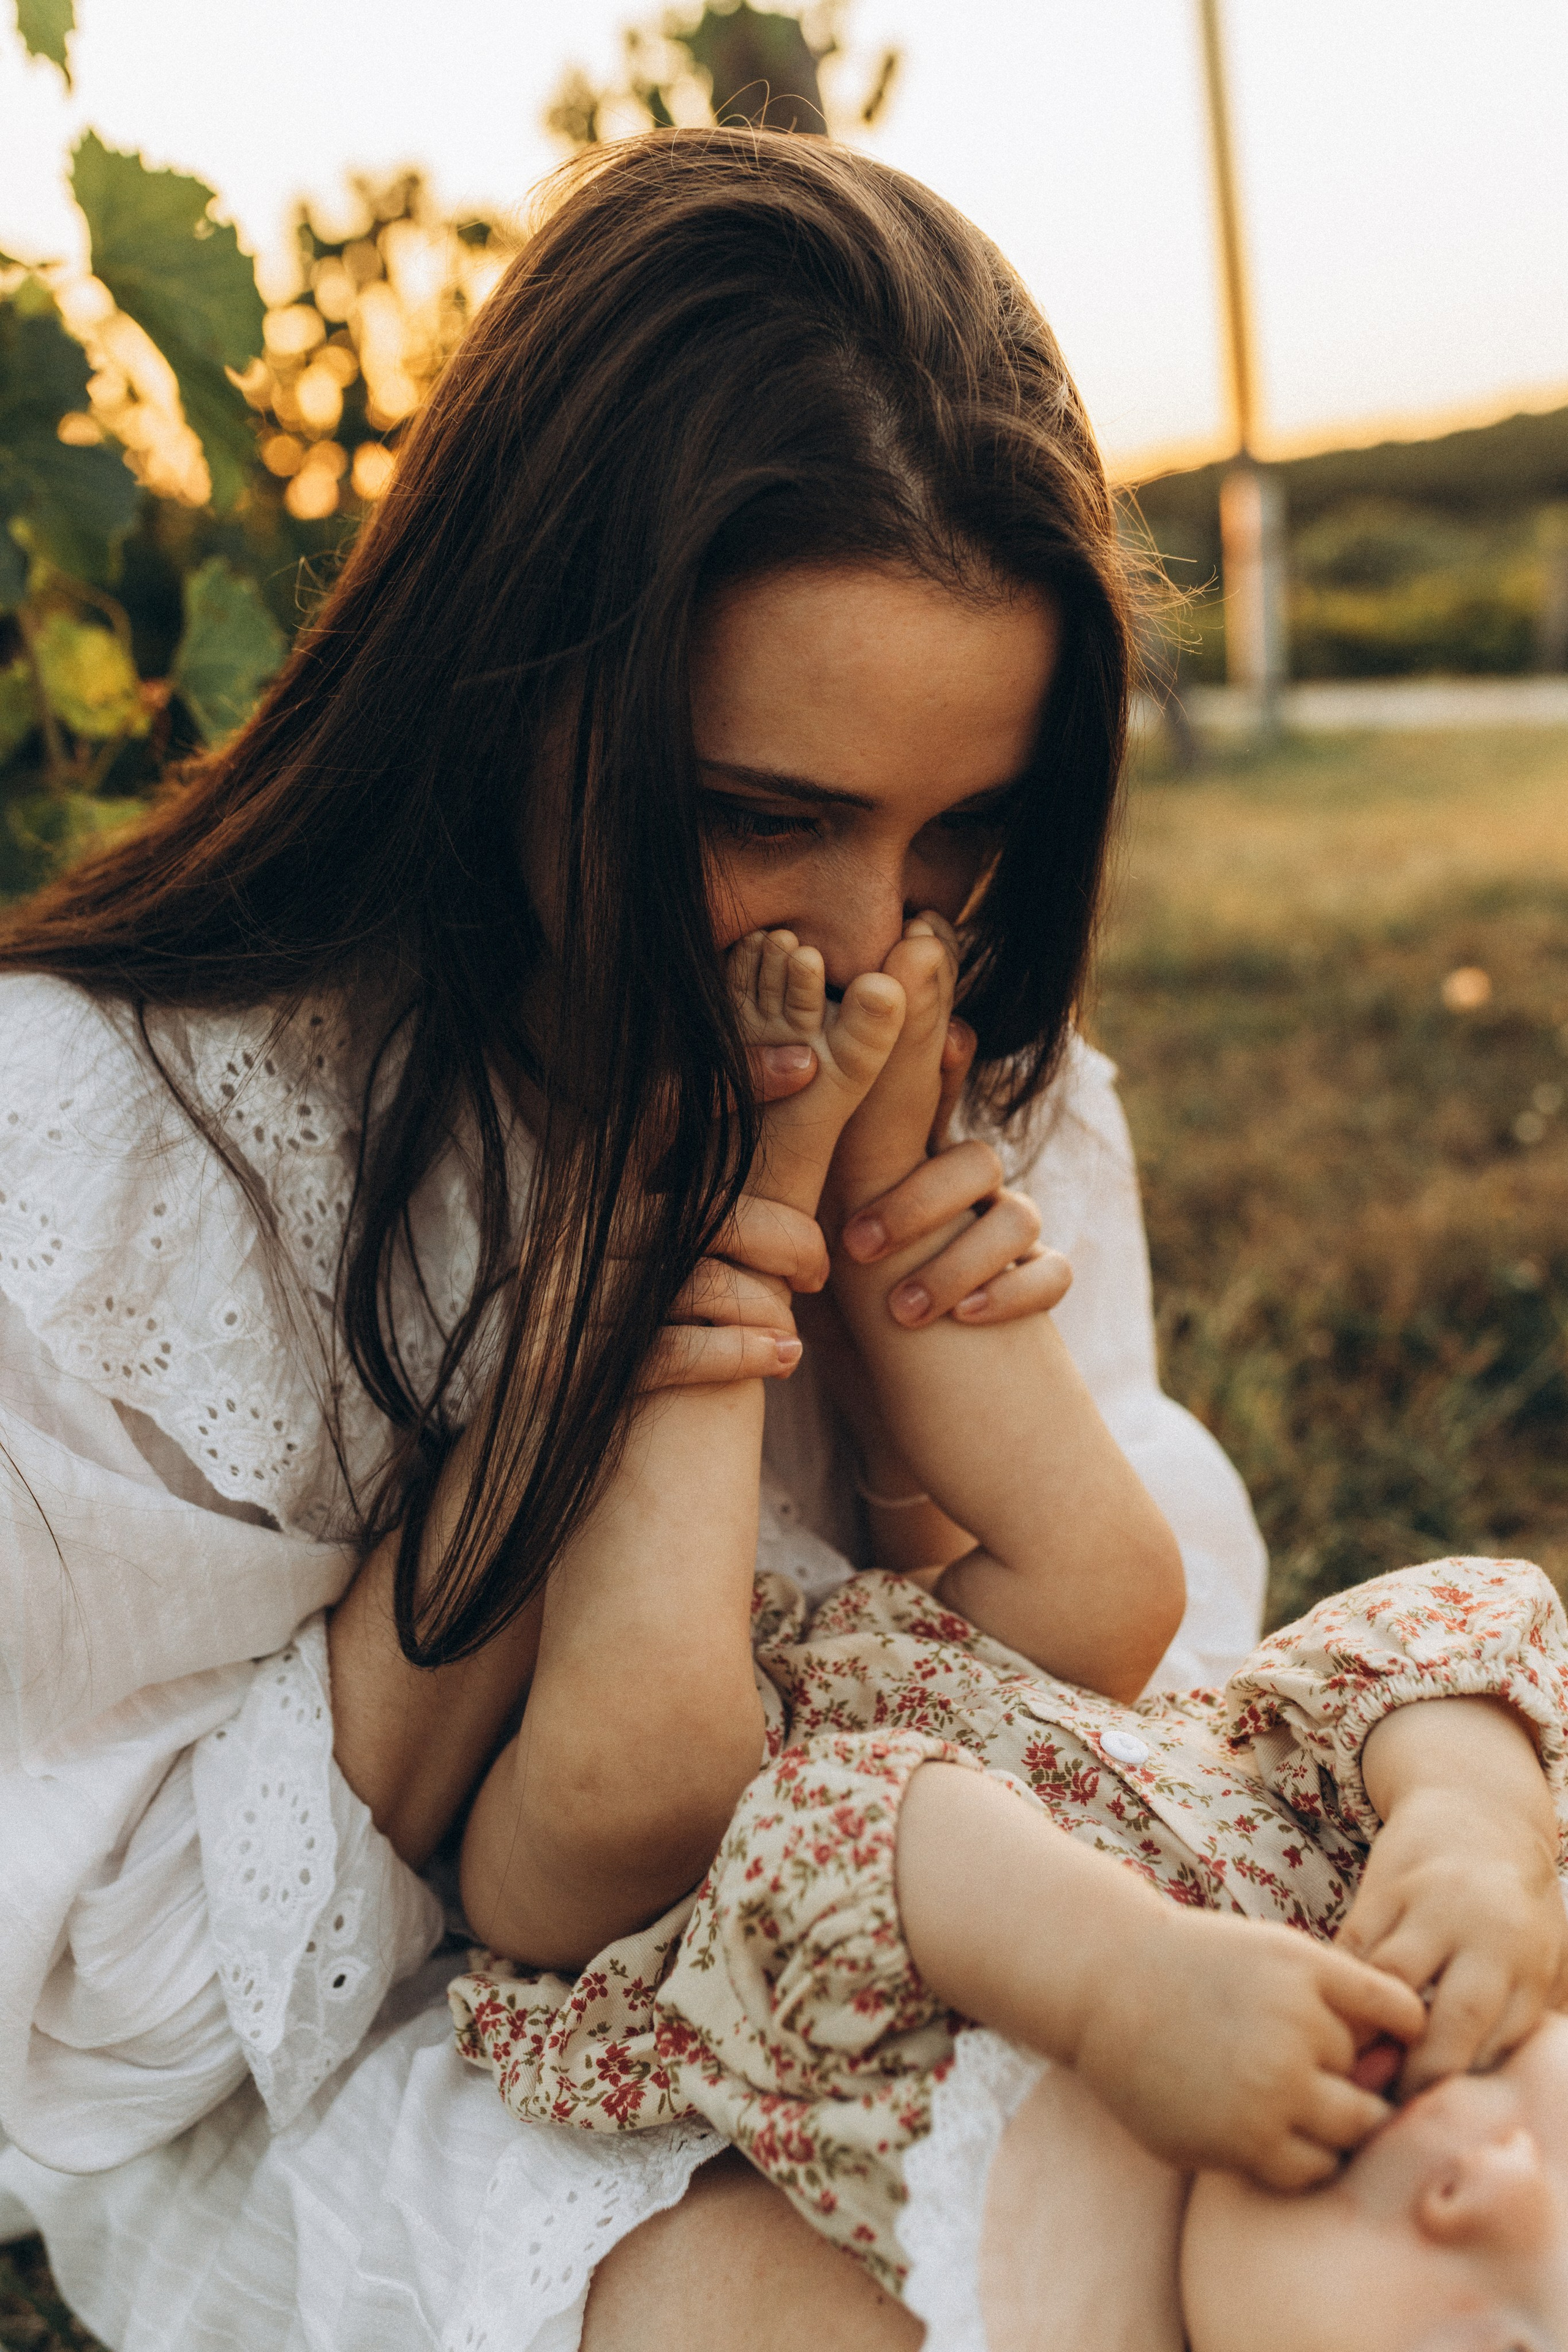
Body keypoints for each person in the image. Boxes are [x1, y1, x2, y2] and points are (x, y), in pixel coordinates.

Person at [0, 129, 1263, 2350]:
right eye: (767, 817)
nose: (875, 942)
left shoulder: (958, 1081)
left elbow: (1135, 1660)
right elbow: (89, 2049)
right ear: (505, 701)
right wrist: (578, 1391)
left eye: (960, 833)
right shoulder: (120, 1147)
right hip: (375, 2079)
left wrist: (901, 1387)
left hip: (929, 1948)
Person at [447, 964, 1568, 2350]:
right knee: (1116, 1585)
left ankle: (712, 1229)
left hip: (659, 1889)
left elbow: (826, 1827)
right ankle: (893, 1201)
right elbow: (1430, 1632)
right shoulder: (1425, 1953)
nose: (1500, 2192)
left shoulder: (995, 2268)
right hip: (965, 1661)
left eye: (1504, 2346)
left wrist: (1119, 1985)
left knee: (652, 1772)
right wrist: (1474, 1821)